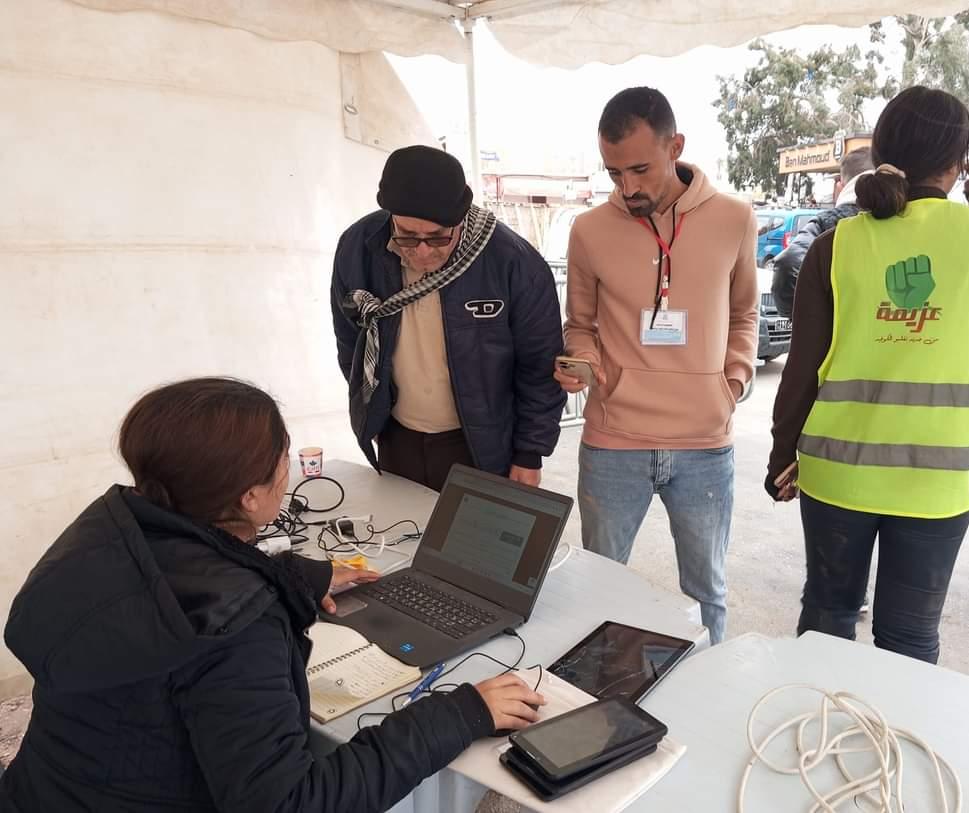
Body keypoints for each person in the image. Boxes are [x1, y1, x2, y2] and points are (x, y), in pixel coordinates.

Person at [0, 378, 544, 812]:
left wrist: (296, 579)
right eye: (282, 457)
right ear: (252, 496)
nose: (287, 469)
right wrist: (459, 715)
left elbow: (181, 575)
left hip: (47, 789)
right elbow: (292, 801)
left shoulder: (108, 531)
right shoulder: (237, 633)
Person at [766, 86, 969, 664]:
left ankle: (816, 740)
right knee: (908, 640)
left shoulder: (837, 244)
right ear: (960, 160)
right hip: (936, 484)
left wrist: (782, 454)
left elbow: (802, 367)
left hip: (837, 475)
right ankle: (891, 752)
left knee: (827, 618)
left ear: (882, 148)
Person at [557, 87, 759, 645]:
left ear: (676, 147)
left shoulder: (735, 219)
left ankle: (707, 688)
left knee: (706, 593)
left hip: (704, 441)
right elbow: (581, 323)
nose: (628, 187)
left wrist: (733, 382)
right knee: (600, 586)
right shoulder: (589, 230)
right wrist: (584, 364)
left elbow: (745, 313)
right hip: (613, 440)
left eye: (640, 169)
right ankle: (597, 702)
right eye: (614, 173)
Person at [332, 145, 566, 491]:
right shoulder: (359, 246)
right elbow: (350, 340)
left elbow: (539, 367)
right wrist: (373, 413)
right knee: (402, 539)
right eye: (408, 236)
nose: (423, 250)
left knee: (477, 543)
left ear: (461, 218)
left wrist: (529, 453)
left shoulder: (512, 263)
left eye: (438, 237)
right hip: (398, 437)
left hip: (483, 444)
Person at [771, 147, 875, 319]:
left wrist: (811, 320)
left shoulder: (825, 224)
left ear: (840, 187)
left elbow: (788, 265)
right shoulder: (904, 222)